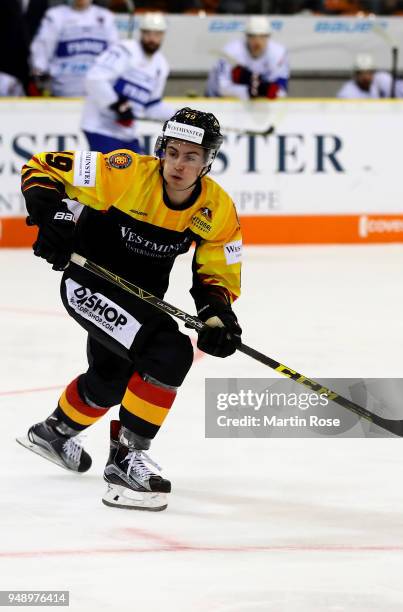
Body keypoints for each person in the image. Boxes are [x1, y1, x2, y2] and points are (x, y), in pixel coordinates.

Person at [18, 107, 242, 512]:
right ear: (161, 149)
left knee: (109, 379)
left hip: (139, 301)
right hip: (89, 285)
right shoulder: (124, 172)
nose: (178, 164)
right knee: (168, 353)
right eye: (172, 152)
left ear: (208, 160)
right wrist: (53, 218)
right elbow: (41, 168)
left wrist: (218, 316)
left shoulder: (216, 209)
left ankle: (54, 432)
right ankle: (125, 462)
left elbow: (216, 270)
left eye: (191, 156)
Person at [81, 12, 174, 154]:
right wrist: (117, 105)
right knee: (116, 174)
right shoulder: (125, 50)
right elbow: (95, 78)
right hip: (100, 128)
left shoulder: (161, 65)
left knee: (141, 172)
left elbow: (151, 105)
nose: (152, 39)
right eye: (148, 33)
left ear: (163, 36)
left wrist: (177, 117)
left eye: (157, 34)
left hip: (127, 133)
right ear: (141, 33)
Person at [29, 0, 118, 97]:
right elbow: (41, 53)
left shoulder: (106, 17)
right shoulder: (55, 15)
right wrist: (41, 82)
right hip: (63, 92)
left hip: (97, 95)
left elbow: (114, 54)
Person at [206, 15, 289, 100]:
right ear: (246, 36)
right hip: (217, 100)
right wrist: (250, 91)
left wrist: (262, 90)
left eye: (262, 36)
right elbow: (222, 88)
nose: (257, 42)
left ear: (268, 37)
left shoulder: (278, 53)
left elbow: (281, 91)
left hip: (259, 104)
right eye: (253, 36)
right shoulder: (231, 52)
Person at [337, 53, 403, 98]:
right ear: (355, 75)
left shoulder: (382, 80)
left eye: (369, 72)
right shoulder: (347, 92)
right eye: (361, 73)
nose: (365, 77)